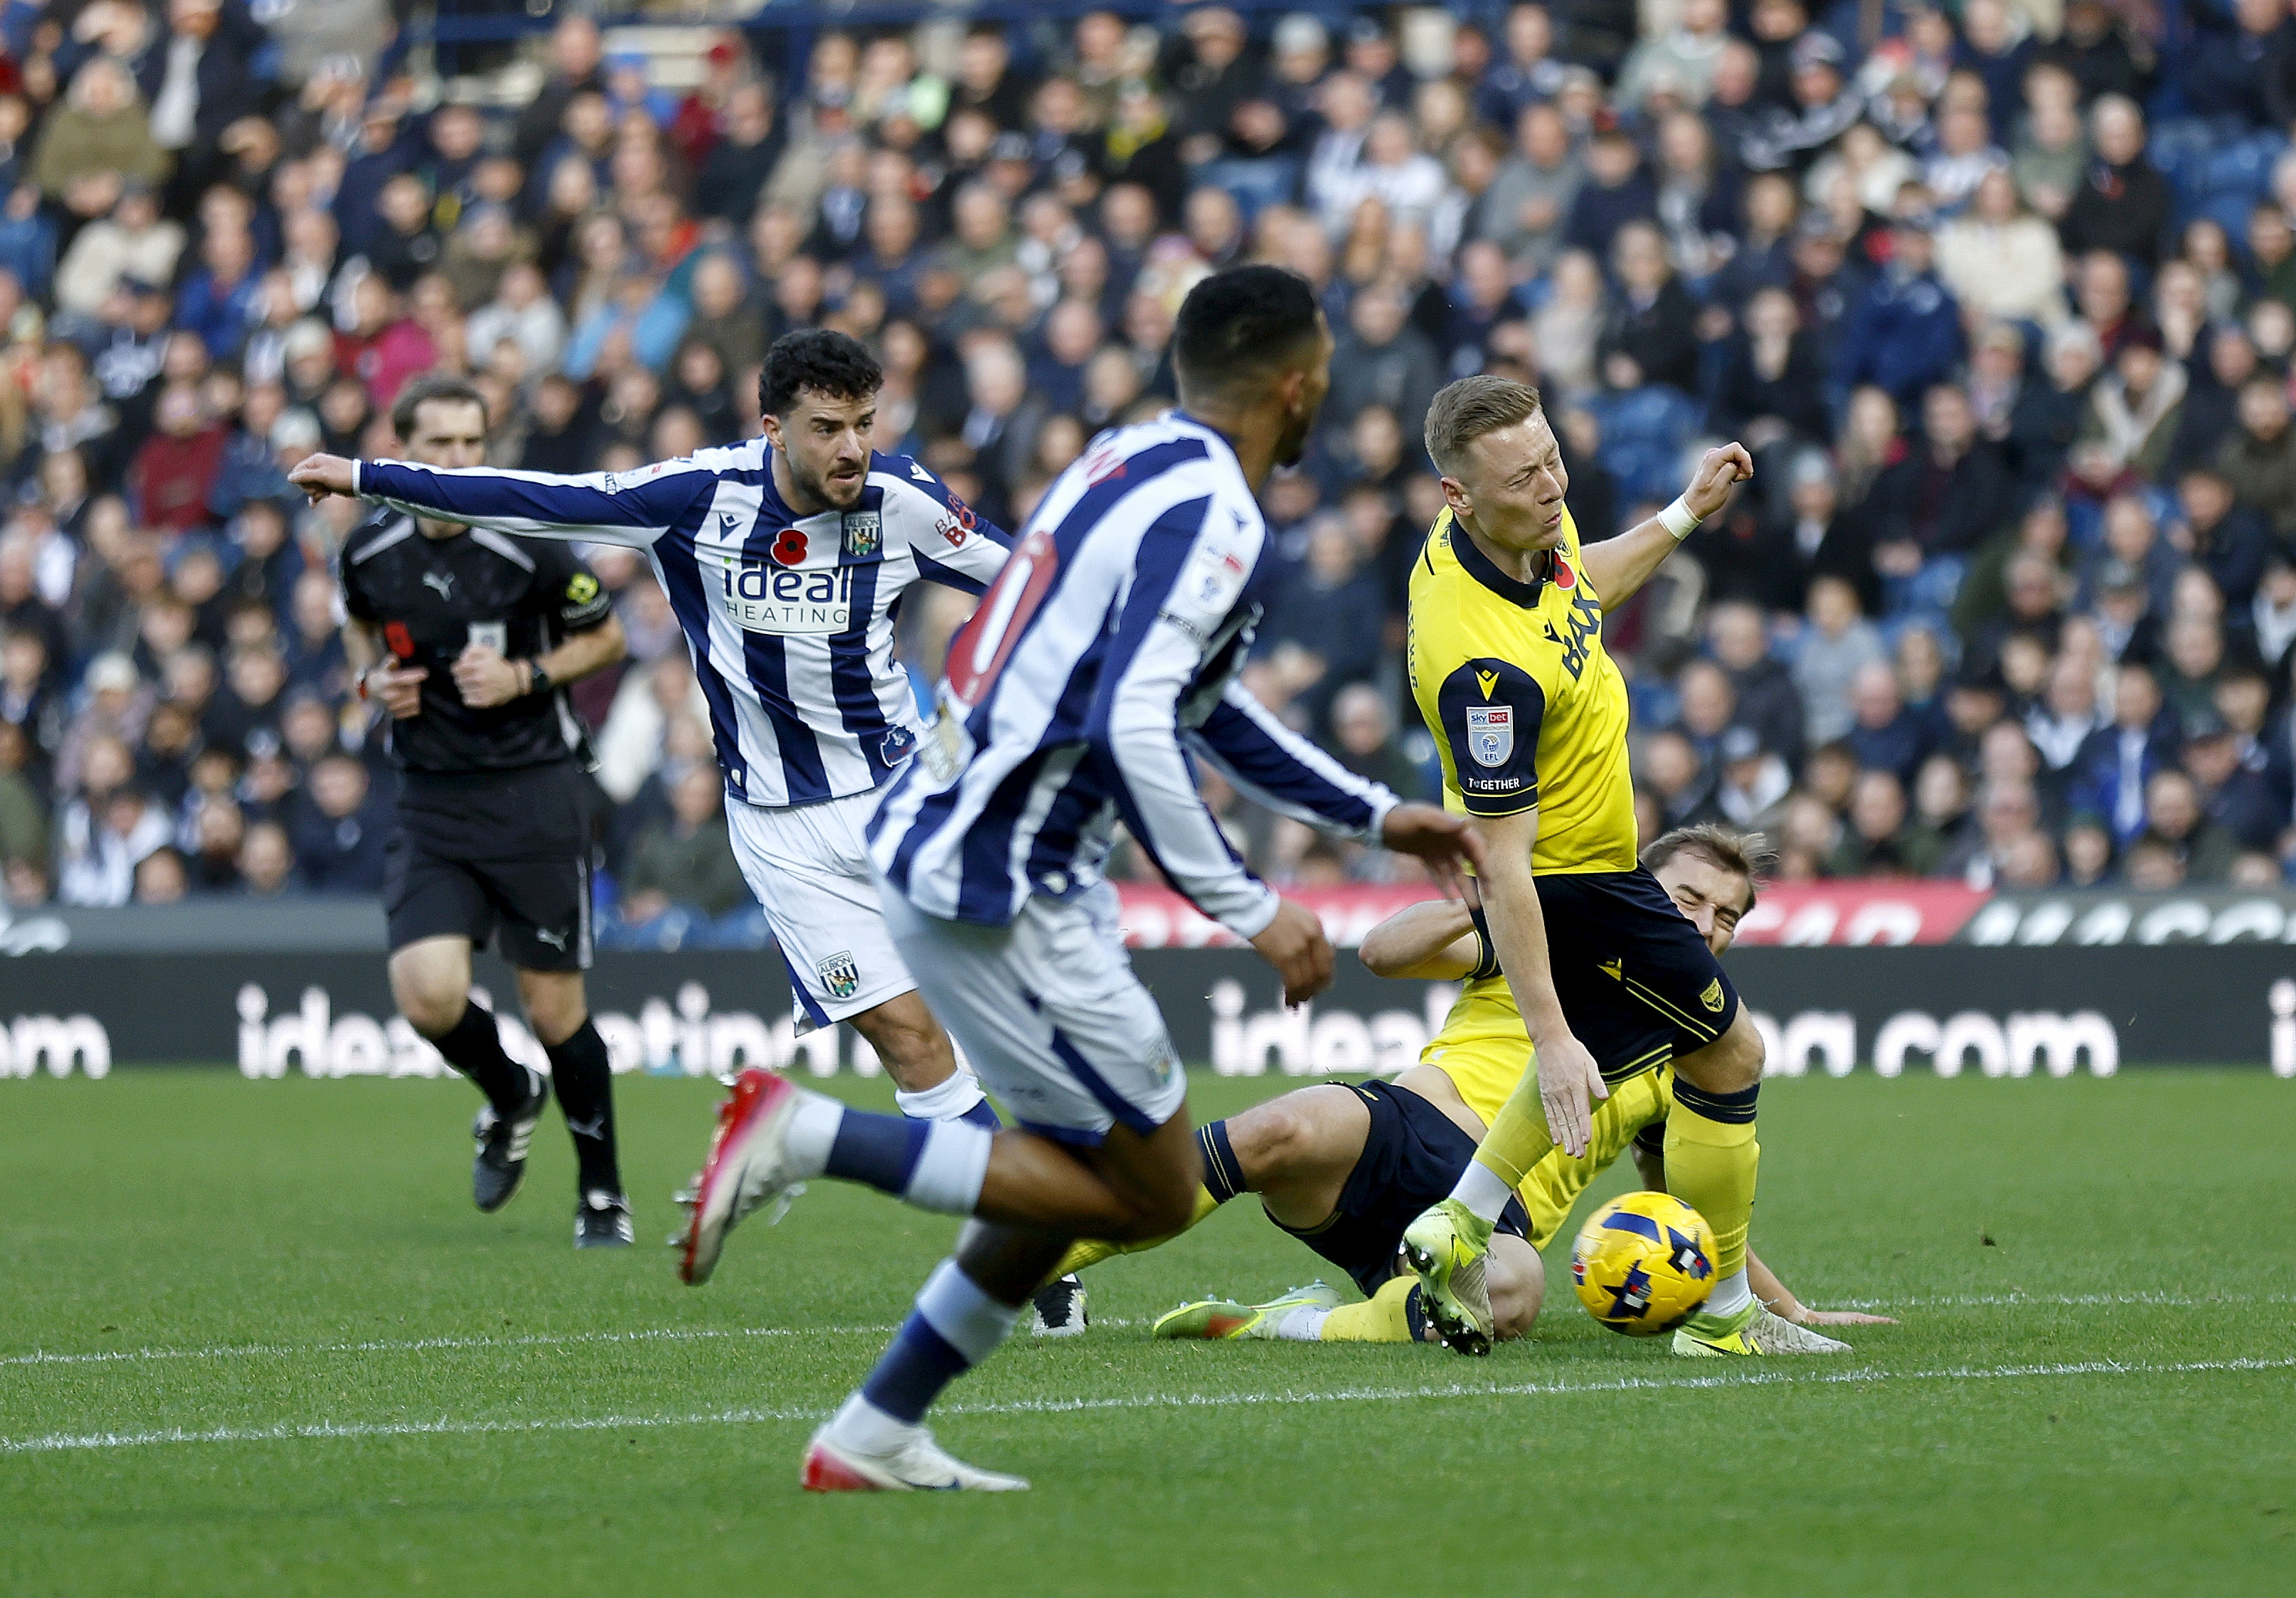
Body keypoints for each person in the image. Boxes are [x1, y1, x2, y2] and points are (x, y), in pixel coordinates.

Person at [674, 268, 1486, 1492]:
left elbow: (1196, 706)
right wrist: (1250, 905)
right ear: (1296, 382)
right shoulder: (1215, 516)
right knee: (1150, 1191)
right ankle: (803, 1133)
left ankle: (874, 1430)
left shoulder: (1125, 456)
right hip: (1010, 879)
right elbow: (1135, 723)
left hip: (943, 839)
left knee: (1069, 1186)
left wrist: (1369, 812)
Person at [289, 334, 1022, 1195]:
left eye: (865, 423)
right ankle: (1044, 1253)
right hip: (781, 827)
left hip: (906, 798)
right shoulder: (698, 498)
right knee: (910, 1042)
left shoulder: (902, 500)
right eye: (828, 427)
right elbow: (540, 497)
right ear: (774, 427)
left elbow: (1032, 582)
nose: (853, 448)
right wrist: (372, 476)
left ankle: (968, 1180)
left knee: (1005, 1018)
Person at [1394, 373, 1837, 1360]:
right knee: (1731, 1053)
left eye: (1552, 458)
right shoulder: (1486, 675)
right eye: (1524, 476)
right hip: (1574, 877)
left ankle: (1457, 1217)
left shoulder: (1507, 535)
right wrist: (1545, 1033)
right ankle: (1723, 1319)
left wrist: (1682, 513)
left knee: (1638, 1043)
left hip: (1594, 865)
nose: (1551, 486)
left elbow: (1576, 584)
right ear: (1456, 496)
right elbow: (1503, 867)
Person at [1051, 829, 1884, 1345]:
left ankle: (1285, 1323)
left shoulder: (1697, 1056)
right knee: (1281, 1130)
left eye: (1727, 915)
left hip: (1493, 1219)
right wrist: (1492, 897)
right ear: (1639, 892)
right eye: (1689, 898)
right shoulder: (1547, 934)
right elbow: (1381, 949)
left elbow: (1698, 1214)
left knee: (1516, 1296)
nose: (1705, 925)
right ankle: (1041, 1260)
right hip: (1407, 1125)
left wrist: (1788, 1310)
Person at [310, 376, 633, 1246]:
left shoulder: (529, 544)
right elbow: (358, 631)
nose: (458, 460)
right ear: (403, 450)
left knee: (554, 1008)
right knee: (426, 995)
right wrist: (371, 682)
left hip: (536, 795)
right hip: (432, 799)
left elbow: (608, 637)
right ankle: (508, 1092)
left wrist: (528, 676)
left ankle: (602, 1190)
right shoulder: (371, 551)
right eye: (441, 444)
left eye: (472, 444)